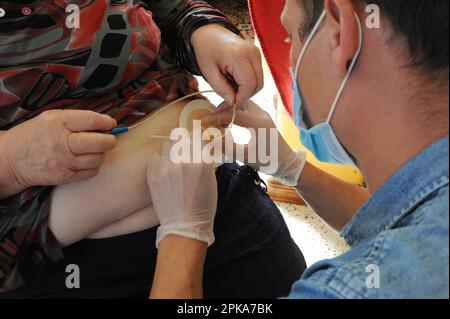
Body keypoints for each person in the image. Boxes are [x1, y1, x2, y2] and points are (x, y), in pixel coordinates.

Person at [0, 0, 307, 298]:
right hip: (72, 269)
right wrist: (10, 159)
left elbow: (161, 7)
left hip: (222, 208)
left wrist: (203, 29)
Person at [147, 0, 449, 298]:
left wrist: (182, 235)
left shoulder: (350, 290)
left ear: (341, 33)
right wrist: (294, 169)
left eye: (290, 37)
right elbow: (412, 223)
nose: (291, 58)